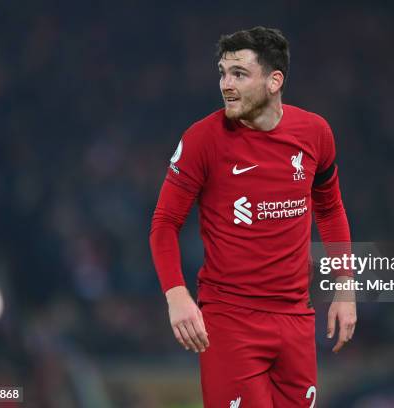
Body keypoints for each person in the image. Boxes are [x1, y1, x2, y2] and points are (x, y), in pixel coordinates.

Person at [150, 26, 356, 407]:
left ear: (274, 81)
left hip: (296, 319)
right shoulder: (201, 141)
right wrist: (176, 295)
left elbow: (330, 209)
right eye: (223, 73)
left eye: (239, 74)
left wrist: (345, 285)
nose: (226, 84)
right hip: (231, 321)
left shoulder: (315, 134)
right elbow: (164, 223)